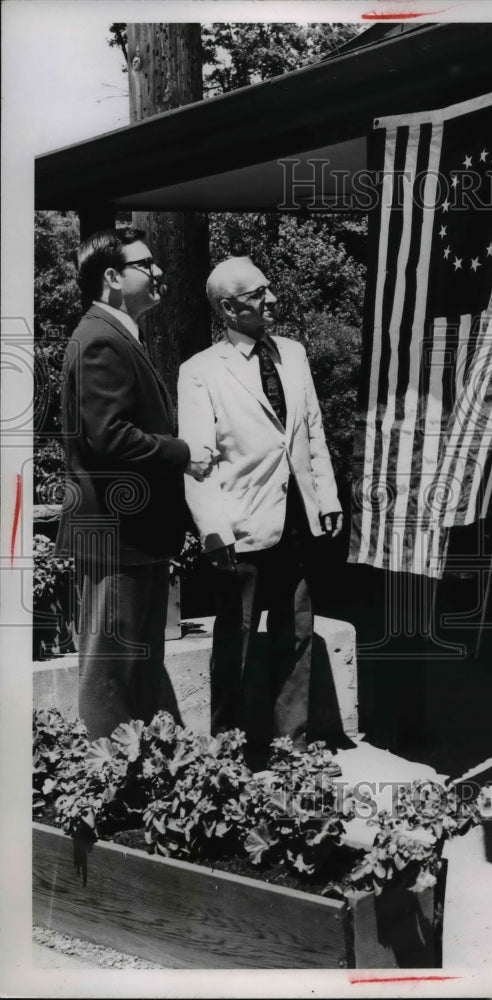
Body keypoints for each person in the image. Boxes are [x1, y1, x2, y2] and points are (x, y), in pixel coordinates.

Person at [177, 256, 343, 757]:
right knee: (239, 638)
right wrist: (213, 530)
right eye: (257, 294)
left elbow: (311, 429)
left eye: (268, 289)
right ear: (229, 308)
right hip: (241, 525)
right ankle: (229, 753)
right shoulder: (200, 371)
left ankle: (293, 748)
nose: (271, 299)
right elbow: (197, 462)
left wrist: (326, 497)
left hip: (297, 518)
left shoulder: (293, 353)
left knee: (297, 631)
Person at [55, 228, 213, 738]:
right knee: (112, 677)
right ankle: (107, 775)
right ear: (112, 277)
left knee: (136, 672)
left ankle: (135, 772)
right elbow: (110, 438)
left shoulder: (114, 333)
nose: (159, 271)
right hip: (117, 537)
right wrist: (182, 453)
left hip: (133, 537)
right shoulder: (101, 338)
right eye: (145, 264)